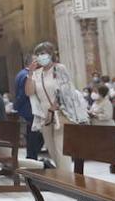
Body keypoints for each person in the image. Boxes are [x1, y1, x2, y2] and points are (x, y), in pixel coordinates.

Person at [25, 41, 84, 172]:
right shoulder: (36, 73)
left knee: (60, 147)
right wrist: (30, 74)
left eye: (43, 53)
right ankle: (62, 175)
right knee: (51, 148)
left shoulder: (59, 68)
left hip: (59, 111)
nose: (41, 56)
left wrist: (54, 107)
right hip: (44, 114)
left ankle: (66, 178)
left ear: (51, 54)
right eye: (38, 54)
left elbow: (66, 90)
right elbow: (29, 92)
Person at [14, 57, 41, 159]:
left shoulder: (20, 73)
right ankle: (32, 156)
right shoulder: (26, 75)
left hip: (25, 109)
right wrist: (18, 106)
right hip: (29, 108)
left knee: (32, 134)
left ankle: (32, 155)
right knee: (33, 135)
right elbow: (24, 94)